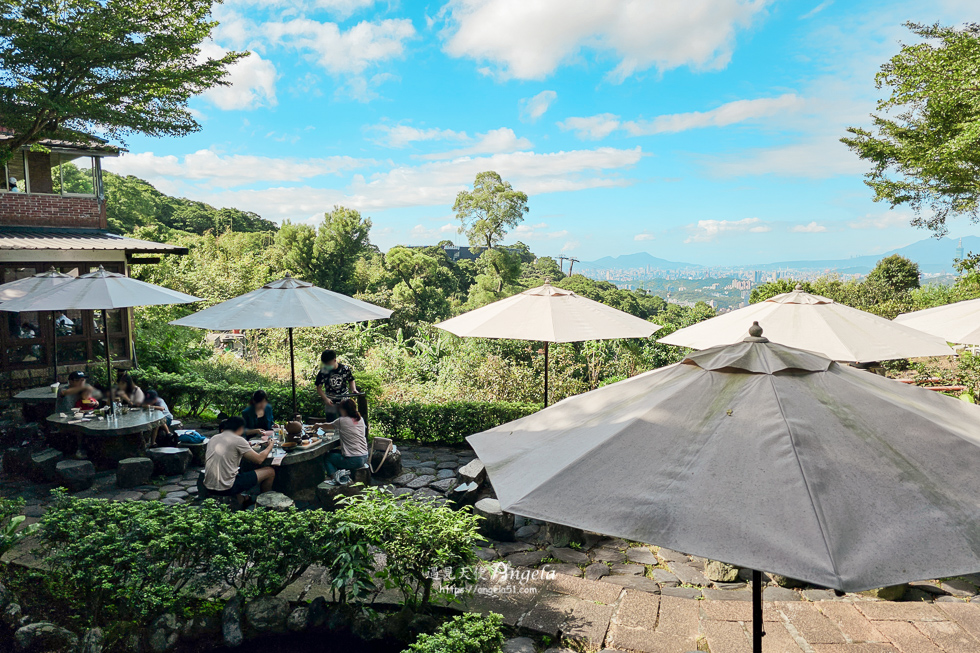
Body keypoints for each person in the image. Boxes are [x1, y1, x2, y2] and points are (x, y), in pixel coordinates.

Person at [204, 416, 275, 504]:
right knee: (270, 471)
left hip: (208, 485)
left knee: (234, 471)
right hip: (226, 487)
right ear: (241, 428)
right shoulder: (238, 440)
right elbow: (259, 459)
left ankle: (242, 500)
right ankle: (266, 502)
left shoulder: (213, 438)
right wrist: (270, 445)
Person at [316, 398, 368, 485]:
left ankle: (335, 480)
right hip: (364, 456)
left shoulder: (342, 421)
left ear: (344, 410)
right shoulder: (360, 419)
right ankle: (341, 475)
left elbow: (327, 426)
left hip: (354, 460)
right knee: (335, 453)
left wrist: (317, 425)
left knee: (328, 457)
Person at [315, 349, 357, 419]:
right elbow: (318, 387)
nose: (326, 366)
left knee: (346, 421)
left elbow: (351, 380)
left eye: (328, 364)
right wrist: (325, 399)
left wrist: (353, 389)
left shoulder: (344, 369)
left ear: (334, 360)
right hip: (330, 401)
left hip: (344, 400)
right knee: (331, 424)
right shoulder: (323, 372)